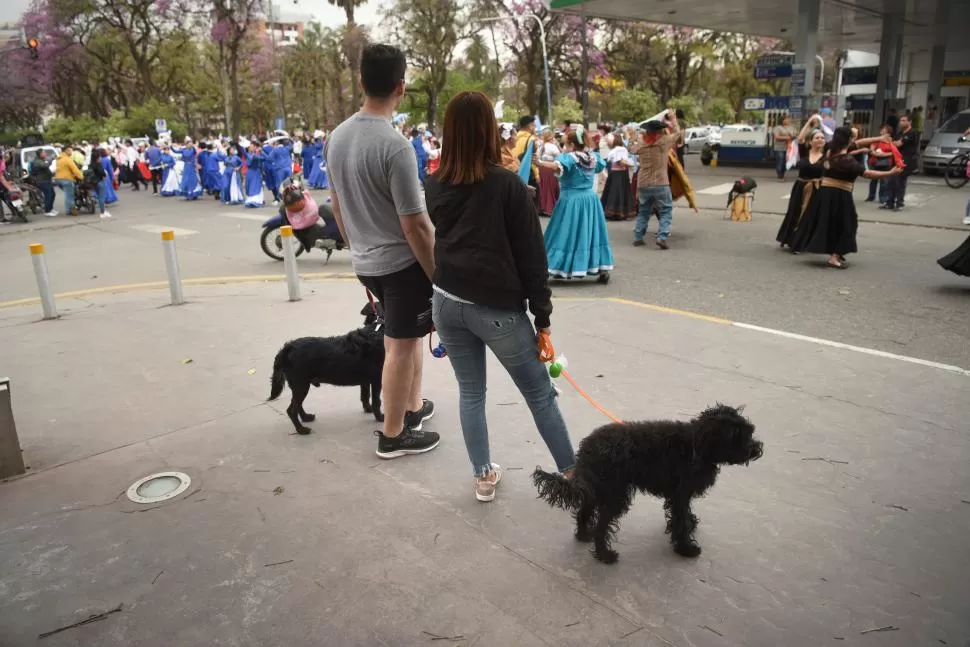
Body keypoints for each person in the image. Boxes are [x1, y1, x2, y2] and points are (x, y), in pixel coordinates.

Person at [424, 91, 576, 501]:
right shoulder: (507, 186)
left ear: (450, 133)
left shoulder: (435, 183)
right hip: (496, 310)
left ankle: (483, 476)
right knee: (540, 394)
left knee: (471, 392)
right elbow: (533, 258)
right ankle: (575, 474)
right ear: (490, 130)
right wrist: (542, 318)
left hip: (445, 301)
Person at [325, 43, 439, 459]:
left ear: (361, 82)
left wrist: (359, 247)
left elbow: (337, 205)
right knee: (401, 346)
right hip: (401, 265)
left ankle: (411, 408)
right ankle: (394, 435)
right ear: (401, 87)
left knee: (405, 337)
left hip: (367, 262)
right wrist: (436, 274)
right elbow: (416, 224)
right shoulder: (396, 147)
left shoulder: (336, 138)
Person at [790, 127, 902, 269]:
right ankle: (835, 256)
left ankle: (833, 251)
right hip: (840, 196)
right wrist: (890, 173)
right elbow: (867, 173)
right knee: (848, 225)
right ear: (849, 140)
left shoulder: (830, 150)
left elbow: (860, 143)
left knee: (827, 223)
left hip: (824, 194)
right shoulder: (847, 160)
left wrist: (879, 139)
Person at [538, 126, 614, 283]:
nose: (565, 147)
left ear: (572, 145)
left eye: (566, 144)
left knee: (564, 233)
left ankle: (559, 267)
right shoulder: (593, 157)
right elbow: (600, 167)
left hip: (571, 200)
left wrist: (539, 162)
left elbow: (556, 166)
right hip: (590, 200)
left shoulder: (569, 157)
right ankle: (601, 268)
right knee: (592, 233)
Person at [776, 118, 826, 249]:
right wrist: (809, 122)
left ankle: (803, 242)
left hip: (816, 189)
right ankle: (789, 238)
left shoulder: (826, 155)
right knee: (795, 212)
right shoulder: (804, 151)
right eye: (817, 138)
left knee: (810, 215)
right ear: (810, 141)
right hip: (800, 187)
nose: (820, 140)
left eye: (822, 137)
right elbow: (800, 138)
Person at [633, 111, 680, 250]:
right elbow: (677, 133)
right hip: (660, 182)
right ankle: (662, 237)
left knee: (643, 211)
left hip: (643, 183)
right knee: (665, 210)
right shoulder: (663, 142)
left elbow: (630, 147)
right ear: (659, 132)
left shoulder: (640, 145)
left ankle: (638, 236)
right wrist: (673, 119)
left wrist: (633, 135)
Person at [885, 114, 919, 211]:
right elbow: (895, 142)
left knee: (900, 182)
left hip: (906, 160)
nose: (902, 122)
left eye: (904, 120)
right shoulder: (900, 133)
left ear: (909, 122)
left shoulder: (912, 133)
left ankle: (899, 204)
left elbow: (899, 144)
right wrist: (892, 143)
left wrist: (890, 143)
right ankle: (889, 202)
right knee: (891, 181)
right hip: (896, 159)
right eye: (901, 121)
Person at [600, 134, 636, 220]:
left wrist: (630, 164)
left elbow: (619, 161)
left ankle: (613, 212)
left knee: (613, 192)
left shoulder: (617, 149)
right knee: (620, 192)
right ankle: (619, 212)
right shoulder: (620, 149)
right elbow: (621, 161)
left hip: (616, 173)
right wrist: (631, 164)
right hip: (620, 173)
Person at [864, 124, 897, 205]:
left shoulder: (891, 142)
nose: (881, 130)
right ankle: (871, 196)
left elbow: (894, 152)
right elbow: (871, 150)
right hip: (875, 162)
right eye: (881, 129)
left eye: (883, 129)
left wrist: (883, 154)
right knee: (873, 180)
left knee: (884, 181)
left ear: (888, 132)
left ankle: (883, 198)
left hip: (886, 163)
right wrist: (878, 154)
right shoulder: (877, 140)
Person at [513, 115, 541, 197]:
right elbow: (532, 159)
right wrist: (537, 175)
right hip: (528, 174)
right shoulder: (532, 139)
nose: (535, 127)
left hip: (515, 172)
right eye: (534, 125)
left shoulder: (513, 137)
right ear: (530, 126)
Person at [53, 145, 83, 216]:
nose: (71, 152)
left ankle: (68, 209)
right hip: (66, 179)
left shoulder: (59, 158)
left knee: (67, 194)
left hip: (58, 179)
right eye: (70, 150)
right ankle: (71, 209)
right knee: (70, 195)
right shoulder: (67, 159)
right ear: (66, 151)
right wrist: (81, 177)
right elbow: (75, 169)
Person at [537, 127, 560, 217]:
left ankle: (541, 207)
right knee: (550, 188)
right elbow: (559, 156)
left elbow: (538, 157)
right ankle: (549, 208)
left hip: (541, 169)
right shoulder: (553, 146)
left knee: (543, 187)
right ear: (550, 138)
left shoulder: (541, 146)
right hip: (550, 168)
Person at [28, 148, 56, 217]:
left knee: (52, 194)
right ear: (40, 154)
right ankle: (47, 211)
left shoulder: (42, 160)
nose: (45, 154)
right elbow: (45, 165)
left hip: (47, 179)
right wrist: (50, 159)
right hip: (42, 181)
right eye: (44, 153)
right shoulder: (37, 161)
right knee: (48, 195)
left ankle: (51, 208)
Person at [88, 148, 112, 219]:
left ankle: (103, 211)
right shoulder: (98, 165)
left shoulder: (90, 165)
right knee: (102, 197)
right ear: (97, 158)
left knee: (99, 196)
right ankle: (102, 212)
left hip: (94, 182)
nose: (101, 158)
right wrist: (104, 175)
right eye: (100, 157)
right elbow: (102, 173)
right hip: (100, 181)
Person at [772, 116, 797, 181]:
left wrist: (792, 137)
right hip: (779, 148)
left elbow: (795, 135)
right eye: (786, 119)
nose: (788, 120)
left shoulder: (792, 128)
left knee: (786, 162)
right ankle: (780, 175)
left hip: (789, 148)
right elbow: (776, 137)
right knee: (780, 161)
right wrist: (788, 138)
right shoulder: (778, 128)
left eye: (788, 119)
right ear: (782, 120)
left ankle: (782, 174)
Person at [244, 143, 265, 208]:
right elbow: (250, 160)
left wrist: (261, 152)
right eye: (250, 147)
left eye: (252, 147)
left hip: (257, 172)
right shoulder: (249, 154)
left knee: (256, 186)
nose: (251, 148)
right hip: (250, 172)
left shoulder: (257, 154)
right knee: (249, 186)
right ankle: (252, 200)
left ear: (255, 147)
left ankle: (258, 200)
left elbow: (264, 158)